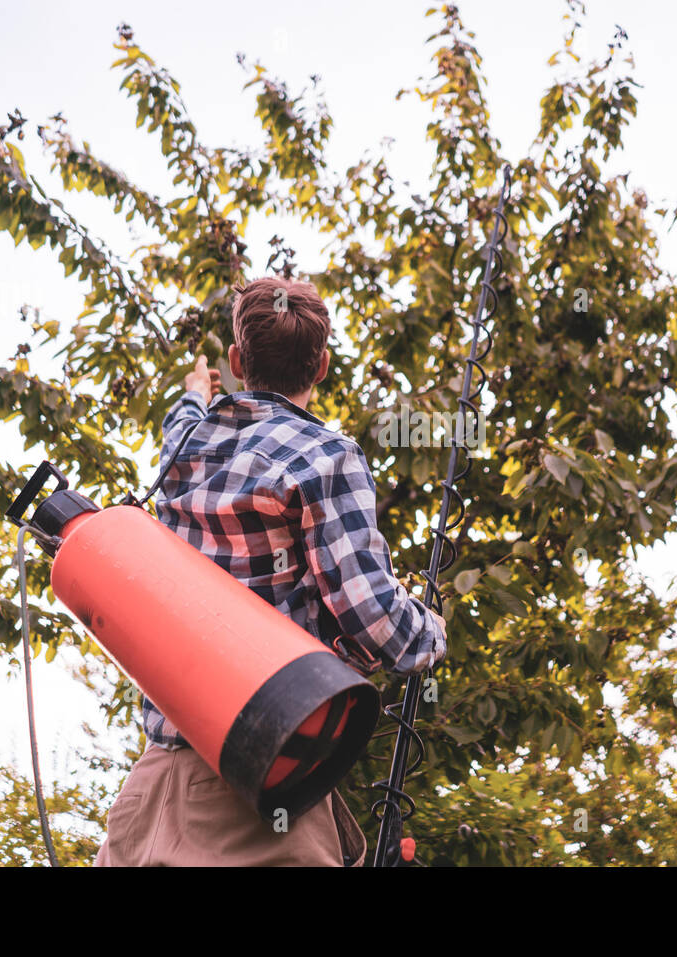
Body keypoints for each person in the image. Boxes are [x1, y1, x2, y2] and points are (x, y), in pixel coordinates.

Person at [94, 277, 447, 866]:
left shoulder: (183, 447)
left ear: (236, 360)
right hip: (253, 789)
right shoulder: (326, 456)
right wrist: (431, 631)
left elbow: (178, 421)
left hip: (150, 792)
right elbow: (374, 619)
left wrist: (194, 390)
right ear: (323, 365)